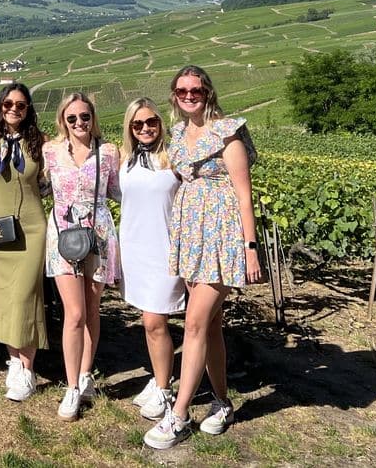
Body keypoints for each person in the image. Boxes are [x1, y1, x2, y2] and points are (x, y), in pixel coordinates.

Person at [144, 66, 261, 450]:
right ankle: (223, 402)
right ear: (174, 95)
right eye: (181, 90)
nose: (189, 95)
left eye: (195, 89)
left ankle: (178, 417)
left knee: (194, 324)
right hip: (191, 233)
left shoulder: (227, 133)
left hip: (221, 235)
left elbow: (244, 194)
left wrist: (250, 248)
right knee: (210, 326)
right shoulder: (177, 134)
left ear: (207, 91)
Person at [41, 92, 121, 421]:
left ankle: (86, 374)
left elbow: (118, 191)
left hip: (99, 236)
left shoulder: (109, 152)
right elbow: (40, 187)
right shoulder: (51, 152)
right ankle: (71, 386)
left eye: (85, 117)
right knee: (73, 314)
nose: (79, 123)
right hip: (62, 237)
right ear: (63, 120)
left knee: (91, 309)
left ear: (93, 117)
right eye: (72, 118)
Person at [116, 97, 185, 421]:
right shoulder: (125, 160)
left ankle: (164, 390)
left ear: (161, 123)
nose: (145, 128)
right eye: (138, 124)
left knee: (155, 322)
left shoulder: (175, 157)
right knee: (148, 321)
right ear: (130, 128)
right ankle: (160, 379)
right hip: (135, 250)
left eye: (151, 122)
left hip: (165, 251)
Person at [0, 81, 47, 403]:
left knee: (25, 295)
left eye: (20, 105)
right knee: (4, 294)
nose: (14, 109)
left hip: (32, 228)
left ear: (28, 109)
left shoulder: (40, 143)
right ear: (0, 106)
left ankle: (27, 367)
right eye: (8, 104)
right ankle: (13, 362)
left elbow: (50, 182)